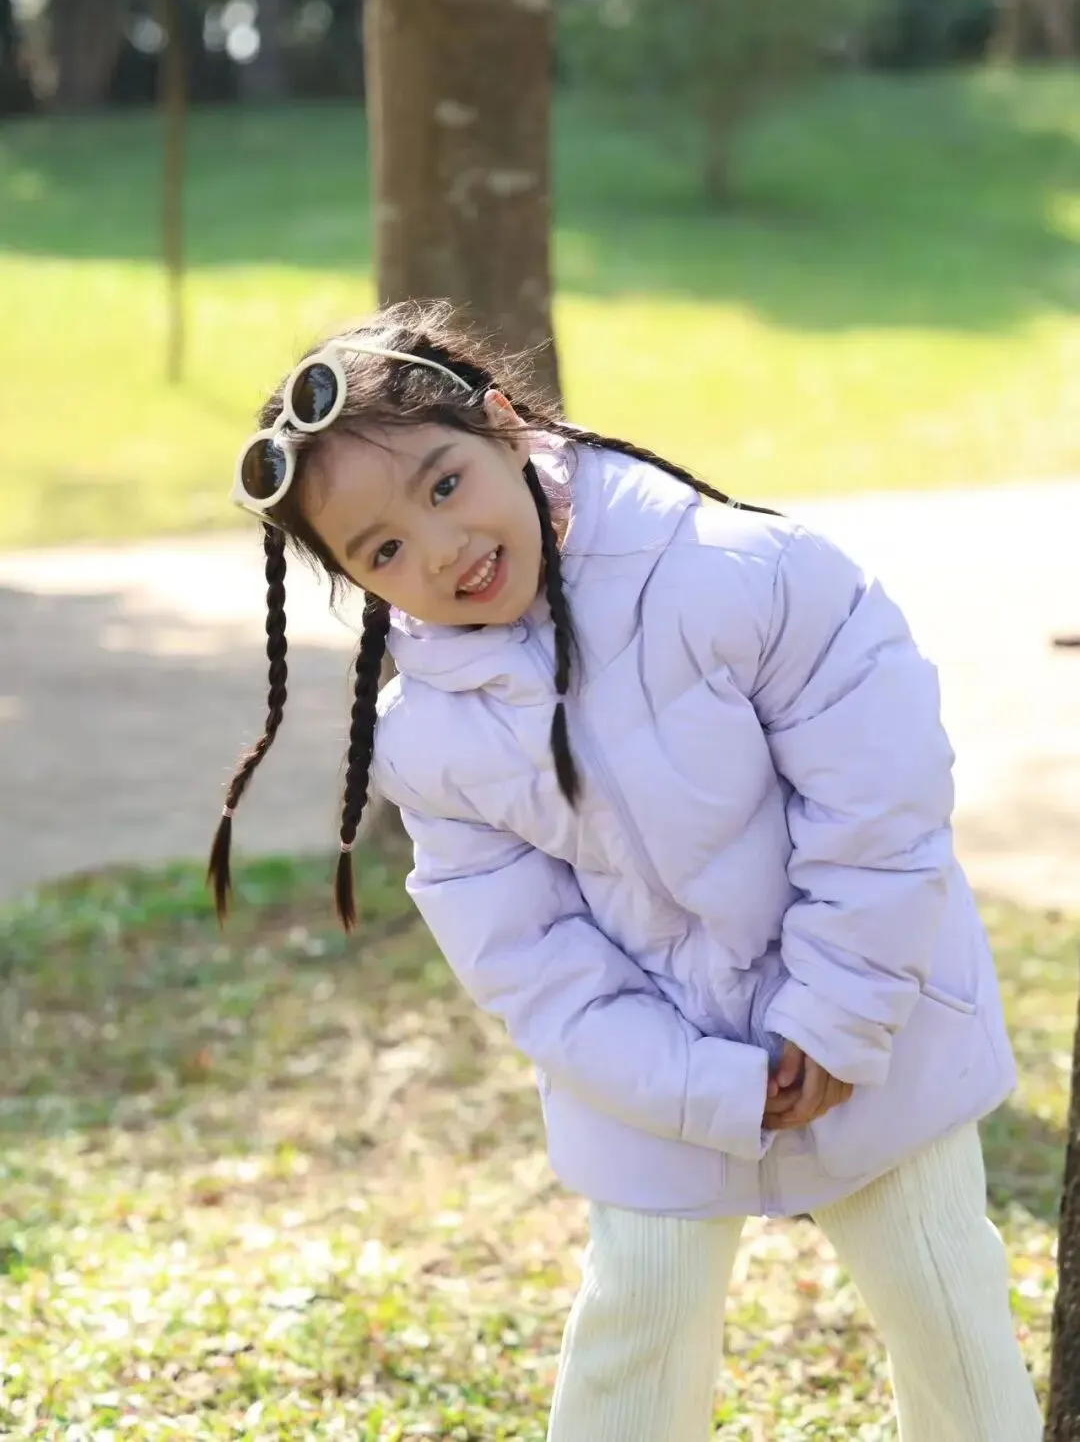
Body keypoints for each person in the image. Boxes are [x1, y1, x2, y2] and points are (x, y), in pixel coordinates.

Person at [210, 301, 1042, 1441]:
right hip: (655, 1077)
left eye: (446, 485)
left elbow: (881, 802)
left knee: (941, 1297)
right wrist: (698, 1085)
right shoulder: (429, 741)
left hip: (880, 1010)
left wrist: (839, 1017)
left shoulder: (735, 570)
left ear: (507, 425)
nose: (440, 550)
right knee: (638, 1322)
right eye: (384, 550)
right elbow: (530, 964)